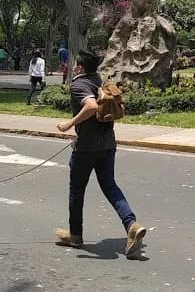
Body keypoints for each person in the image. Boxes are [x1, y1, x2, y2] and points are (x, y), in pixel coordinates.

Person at [54, 50, 147, 259]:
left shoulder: (79, 84)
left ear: (80, 68)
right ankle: (131, 224)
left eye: (75, 64)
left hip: (86, 149)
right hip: (107, 145)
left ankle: (75, 235)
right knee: (110, 186)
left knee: (77, 189)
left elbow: (91, 106)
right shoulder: (99, 80)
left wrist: (69, 124)